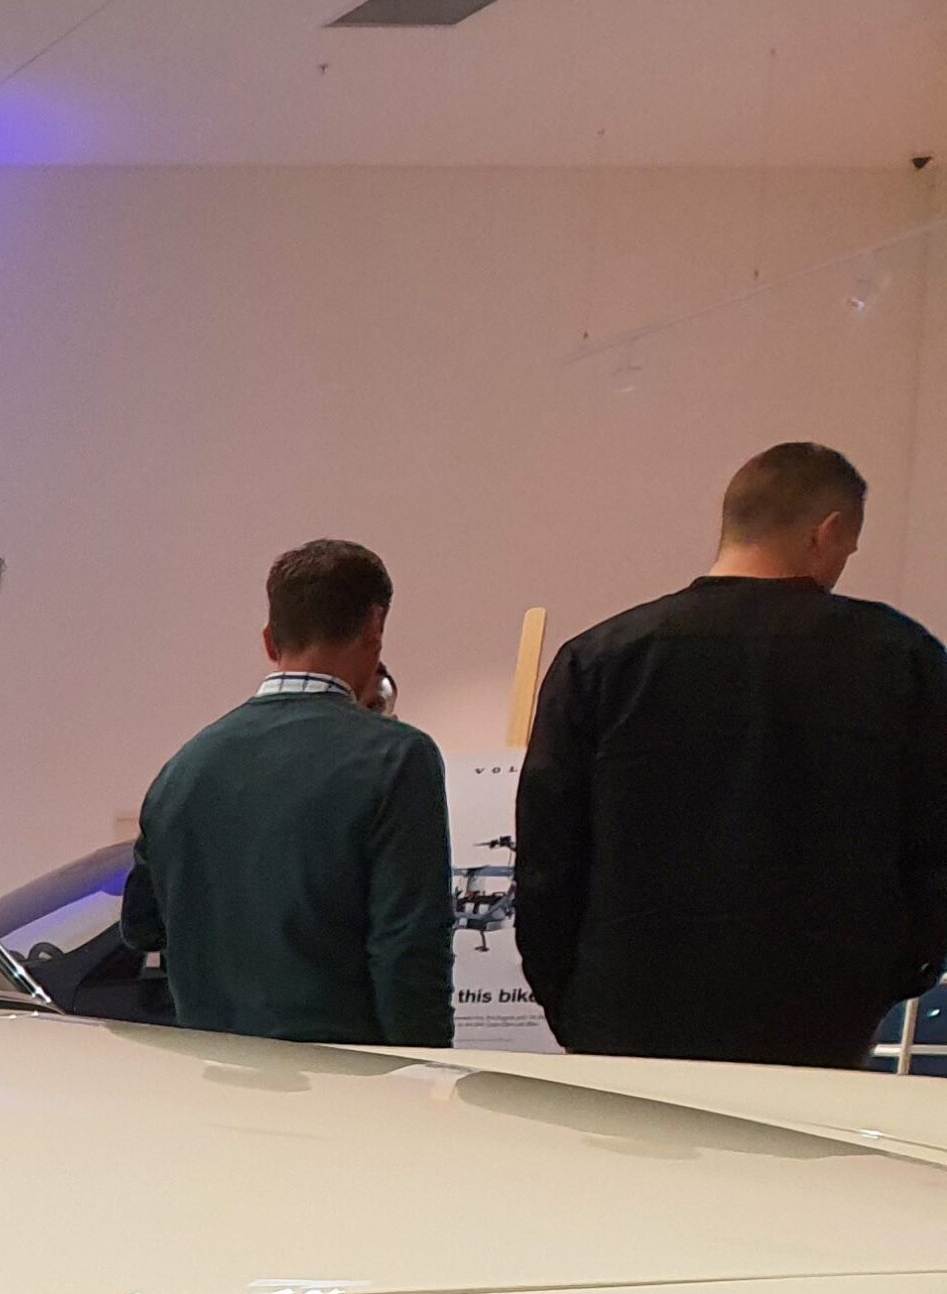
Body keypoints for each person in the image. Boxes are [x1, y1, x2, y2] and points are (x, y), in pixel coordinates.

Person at [515, 442, 947, 1067]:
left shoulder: (600, 659)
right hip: (820, 1019)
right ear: (826, 532)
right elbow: (933, 847)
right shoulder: (902, 660)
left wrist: (570, 1000)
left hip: (625, 1015)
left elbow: (548, 856)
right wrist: (896, 973)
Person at [117, 540, 451, 1047]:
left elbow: (141, 928)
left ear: (270, 640)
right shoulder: (398, 759)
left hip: (211, 1078)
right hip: (347, 1084)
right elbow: (408, 951)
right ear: (375, 628)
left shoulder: (185, 766)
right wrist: (428, 1079)